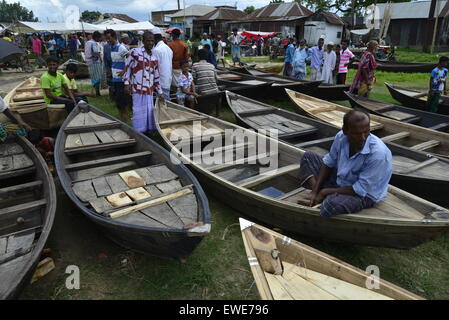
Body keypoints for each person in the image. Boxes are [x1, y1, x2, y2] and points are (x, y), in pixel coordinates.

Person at [298, 110, 392, 218]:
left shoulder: (378, 154)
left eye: (366, 132)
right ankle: (317, 196)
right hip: (342, 182)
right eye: (357, 133)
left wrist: (324, 192)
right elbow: (329, 162)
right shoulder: (341, 137)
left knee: (331, 206)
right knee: (308, 157)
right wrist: (315, 191)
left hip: (364, 194)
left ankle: (325, 197)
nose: (363, 138)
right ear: (345, 131)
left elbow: (360, 189)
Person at [123, 31, 164, 133]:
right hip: (137, 88)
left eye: (152, 41)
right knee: (138, 111)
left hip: (149, 90)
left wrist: (160, 92)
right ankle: (138, 132)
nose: (150, 43)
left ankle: (148, 131)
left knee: (149, 112)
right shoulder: (135, 52)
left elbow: (156, 76)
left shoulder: (154, 58)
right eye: (148, 40)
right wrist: (126, 83)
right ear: (143, 41)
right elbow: (128, 67)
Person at [107, 29, 130, 122]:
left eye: (109, 38)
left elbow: (130, 58)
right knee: (118, 102)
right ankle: (122, 119)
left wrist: (124, 70)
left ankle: (124, 120)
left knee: (122, 102)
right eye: (107, 39)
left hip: (121, 80)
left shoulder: (121, 47)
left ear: (114, 37)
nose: (108, 41)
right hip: (115, 78)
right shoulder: (112, 47)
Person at [151, 27, 173, 101]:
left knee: (163, 104)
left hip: (160, 81)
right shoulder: (168, 48)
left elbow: (154, 67)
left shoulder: (156, 50)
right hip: (167, 79)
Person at [85, 31, 103, 97]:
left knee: (93, 77)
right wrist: (100, 59)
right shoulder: (94, 43)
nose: (100, 39)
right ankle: (97, 92)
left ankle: (95, 91)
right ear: (96, 37)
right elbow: (95, 54)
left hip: (89, 62)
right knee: (97, 77)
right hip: (94, 62)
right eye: (99, 37)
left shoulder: (88, 42)